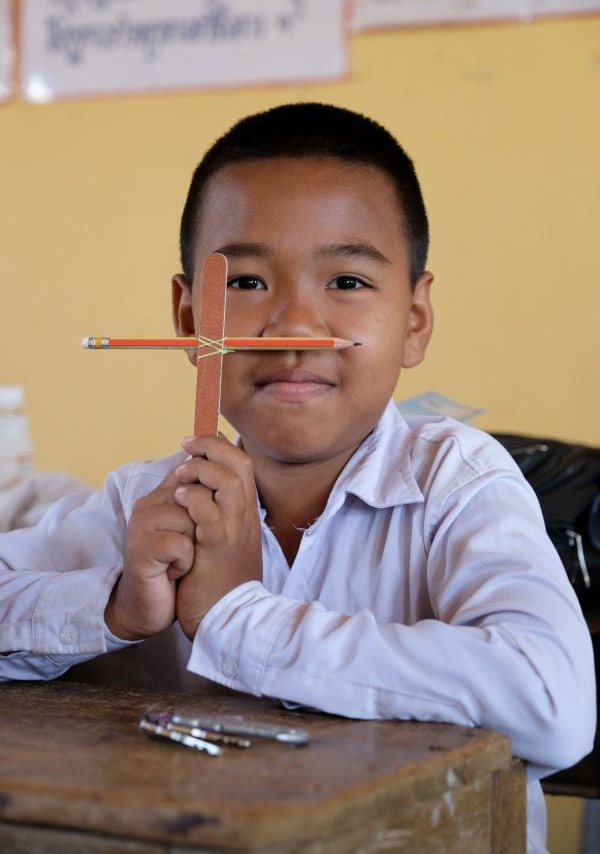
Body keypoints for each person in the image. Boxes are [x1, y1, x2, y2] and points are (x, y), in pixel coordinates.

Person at [0, 103, 595, 852]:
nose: (290, 329)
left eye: (346, 279)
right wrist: (115, 605)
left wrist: (235, 617)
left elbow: (553, 705)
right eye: (245, 283)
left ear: (413, 320)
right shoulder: (147, 504)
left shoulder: (457, 484)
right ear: (189, 319)